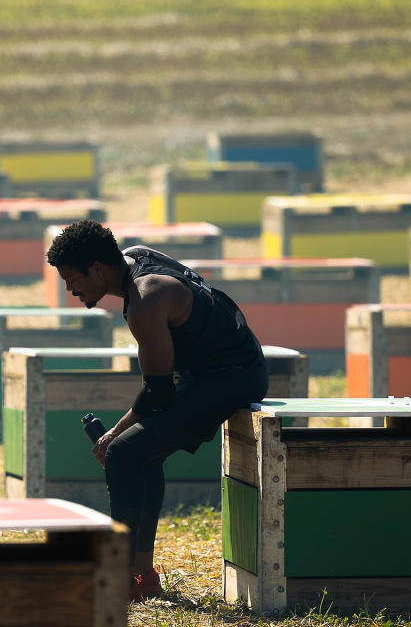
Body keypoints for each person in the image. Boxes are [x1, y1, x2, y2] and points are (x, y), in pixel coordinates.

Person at [46, 219, 267, 601]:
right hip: (215, 369)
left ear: (97, 269)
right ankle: (141, 576)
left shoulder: (146, 299)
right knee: (138, 454)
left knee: (123, 452)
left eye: (71, 279)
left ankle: (118, 575)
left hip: (231, 377)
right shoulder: (134, 258)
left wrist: (114, 433)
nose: (70, 289)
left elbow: (158, 394)